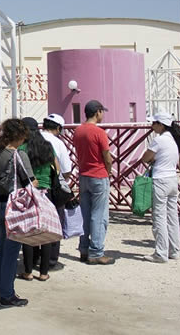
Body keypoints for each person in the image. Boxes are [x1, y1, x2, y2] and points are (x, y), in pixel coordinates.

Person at [0, 118, 33, 307]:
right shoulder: (17, 155)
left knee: (1, 247)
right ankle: (7, 293)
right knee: (12, 250)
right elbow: (30, 182)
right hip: (13, 206)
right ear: (19, 136)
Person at [73, 100, 114, 264]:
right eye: (102, 112)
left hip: (84, 175)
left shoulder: (78, 131)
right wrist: (108, 171)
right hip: (98, 175)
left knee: (85, 214)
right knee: (99, 215)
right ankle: (96, 252)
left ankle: (84, 248)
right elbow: (107, 156)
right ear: (97, 112)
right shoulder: (99, 133)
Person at [19, 120, 61, 281]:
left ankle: (28, 271)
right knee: (46, 231)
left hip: (29, 192)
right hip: (47, 192)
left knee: (28, 232)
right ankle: (43, 272)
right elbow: (57, 168)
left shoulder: (22, 148)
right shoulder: (48, 146)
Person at [139, 111, 180, 263]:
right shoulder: (173, 140)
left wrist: (153, 158)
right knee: (172, 217)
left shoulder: (159, 140)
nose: (152, 126)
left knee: (159, 217)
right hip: (171, 178)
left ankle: (161, 252)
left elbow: (145, 158)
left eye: (154, 123)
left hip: (160, 179)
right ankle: (174, 249)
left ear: (161, 125)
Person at [41, 113, 72, 268]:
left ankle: (34, 258)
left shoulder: (32, 139)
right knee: (55, 223)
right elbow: (67, 170)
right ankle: (51, 260)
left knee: (37, 221)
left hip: (34, 187)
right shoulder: (58, 143)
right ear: (59, 128)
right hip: (52, 187)